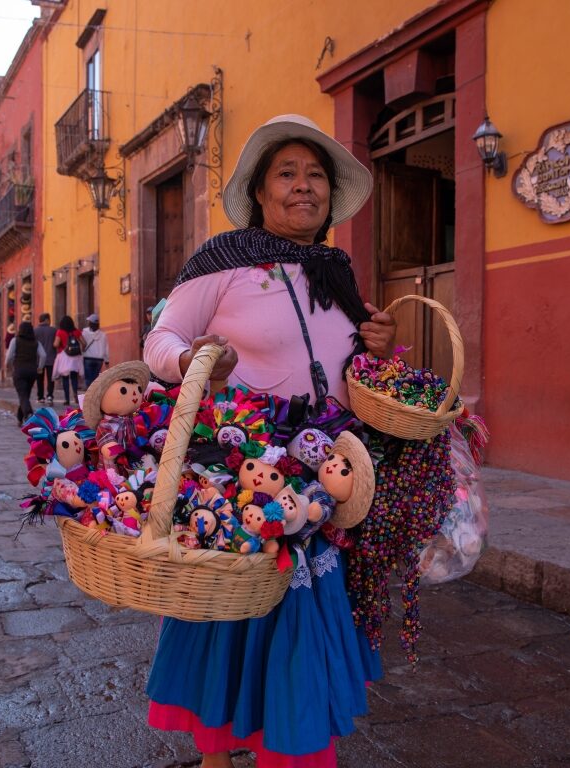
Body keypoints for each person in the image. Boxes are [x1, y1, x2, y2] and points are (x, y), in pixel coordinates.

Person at [144, 114, 396, 768]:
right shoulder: (219, 263)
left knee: (300, 616)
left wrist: (377, 345)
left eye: (315, 176)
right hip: (244, 468)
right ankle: (220, 749)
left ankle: (287, 740)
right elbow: (158, 343)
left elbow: (349, 366)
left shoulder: (334, 270)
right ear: (259, 191)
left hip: (324, 468)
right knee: (230, 613)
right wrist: (192, 358)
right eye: (286, 174)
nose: (303, 187)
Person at [5, 321, 46, 427]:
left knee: (23, 395)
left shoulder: (15, 341)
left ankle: (28, 413)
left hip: (19, 371)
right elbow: (43, 355)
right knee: (25, 394)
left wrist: (8, 365)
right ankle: (20, 418)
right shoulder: (36, 342)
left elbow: (9, 356)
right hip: (32, 372)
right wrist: (40, 368)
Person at [51, 314, 85, 406]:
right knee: (74, 377)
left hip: (64, 357)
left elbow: (56, 344)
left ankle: (67, 399)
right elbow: (84, 342)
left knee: (65, 378)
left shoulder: (60, 332)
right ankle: (75, 394)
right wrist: (81, 350)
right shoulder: (76, 331)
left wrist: (58, 345)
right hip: (75, 357)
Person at [81, 313, 110, 389]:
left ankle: (88, 393)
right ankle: (94, 392)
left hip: (88, 358)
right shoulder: (103, 335)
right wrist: (107, 360)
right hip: (99, 359)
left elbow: (81, 343)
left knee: (88, 378)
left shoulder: (84, 332)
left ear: (90, 323)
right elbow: (106, 348)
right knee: (95, 378)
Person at [34, 313, 57, 404]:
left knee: (40, 378)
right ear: (47, 320)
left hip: (39, 359)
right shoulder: (53, 330)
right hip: (51, 358)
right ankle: (50, 396)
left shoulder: (35, 331)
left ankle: (40, 397)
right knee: (51, 378)